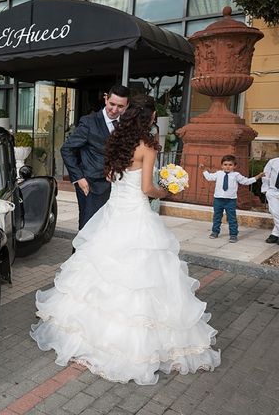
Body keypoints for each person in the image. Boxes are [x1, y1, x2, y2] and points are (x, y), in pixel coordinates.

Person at [30, 94, 221, 385]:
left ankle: (89, 335)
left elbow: (109, 177)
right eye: (155, 115)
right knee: (141, 277)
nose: (157, 118)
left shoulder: (117, 143)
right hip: (135, 216)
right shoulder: (147, 147)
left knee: (101, 270)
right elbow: (146, 188)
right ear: (148, 118)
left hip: (113, 213)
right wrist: (167, 190)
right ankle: (129, 348)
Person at [61, 84, 130, 230]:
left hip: (117, 187)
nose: (115, 110)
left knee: (108, 230)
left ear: (126, 106)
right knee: (88, 229)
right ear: (106, 99)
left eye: (120, 106)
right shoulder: (88, 122)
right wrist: (79, 178)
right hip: (91, 186)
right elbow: (66, 149)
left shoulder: (125, 125)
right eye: (112, 104)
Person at [200, 155, 263, 243]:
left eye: (230, 165)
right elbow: (209, 177)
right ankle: (215, 231)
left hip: (230, 201)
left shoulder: (236, 175)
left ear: (234, 166)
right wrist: (204, 170)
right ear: (222, 165)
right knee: (217, 216)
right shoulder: (219, 173)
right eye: (225, 164)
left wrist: (257, 177)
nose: (227, 167)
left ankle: (233, 234)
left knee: (231, 218)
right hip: (218, 199)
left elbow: (245, 181)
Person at [260, 157, 279, 243]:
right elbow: (266, 176)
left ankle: (275, 234)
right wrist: (266, 190)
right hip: (273, 191)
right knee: (275, 213)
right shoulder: (273, 162)